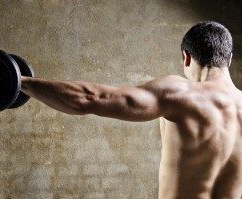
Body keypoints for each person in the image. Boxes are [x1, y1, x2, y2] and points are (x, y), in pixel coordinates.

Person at [21, 21, 242, 199]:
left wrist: (20, 82)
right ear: (229, 59)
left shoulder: (180, 93)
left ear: (187, 57)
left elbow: (90, 98)